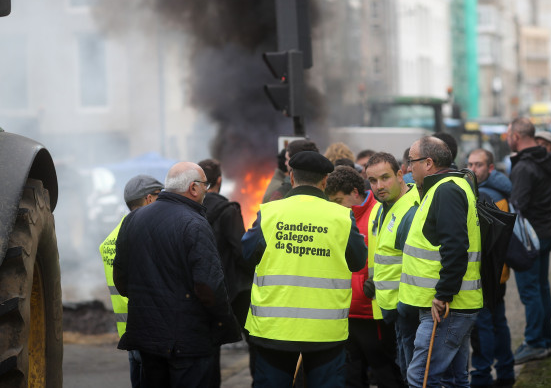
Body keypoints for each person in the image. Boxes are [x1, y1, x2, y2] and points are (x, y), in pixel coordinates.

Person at [242, 151, 368, 388]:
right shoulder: (341, 217)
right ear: (324, 182)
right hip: (325, 331)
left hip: (273, 329)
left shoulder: (270, 213)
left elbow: (247, 255)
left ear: (291, 177)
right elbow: (358, 261)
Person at [113, 162, 240, 388]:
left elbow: (121, 279)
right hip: (189, 343)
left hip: (147, 339)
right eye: (204, 185)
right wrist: (223, 321)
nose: (206, 190)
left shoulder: (132, 220)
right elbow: (209, 287)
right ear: (193, 188)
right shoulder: (194, 224)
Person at [399, 136, 482, 387]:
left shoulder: (445, 190)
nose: (408, 168)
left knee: (421, 379)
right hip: (451, 307)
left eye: (411, 162)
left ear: (428, 163)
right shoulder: (447, 187)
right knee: (454, 381)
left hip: (445, 308)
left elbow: (455, 247)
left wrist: (443, 294)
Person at [326, 166, 404, 388]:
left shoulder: (379, 213)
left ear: (354, 192)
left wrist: (376, 285)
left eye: (338, 200)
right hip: (345, 312)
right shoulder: (336, 217)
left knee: (386, 373)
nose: (335, 206)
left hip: (373, 312)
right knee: (351, 377)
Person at [99, 174, 164, 388]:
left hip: (127, 330)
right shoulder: (145, 236)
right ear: (148, 199)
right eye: (159, 195)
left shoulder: (110, 239)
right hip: (149, 329)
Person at [198, 158, 255, 388]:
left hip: (203, 290)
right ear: (219, 181)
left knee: (208, 347)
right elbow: (242, 252)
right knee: (255, 340)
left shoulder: (191, 210)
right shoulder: (229, 211)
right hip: (235, 290)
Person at [365, 152, 420, 383]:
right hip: (393, 309)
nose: (379, 186)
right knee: (406, 372)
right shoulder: (382, 207)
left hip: (411, 310)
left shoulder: (412, 209)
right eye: (373, 181)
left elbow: (419, 266)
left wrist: (405, 307)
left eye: (385, 178)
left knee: (415, 376)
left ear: (400, 175)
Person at [506, 118, 551, 364]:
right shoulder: (545, 159)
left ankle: (535, 343)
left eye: (508, 133)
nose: (506, 138)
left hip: (530, 238)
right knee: (542, 287)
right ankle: (546, 339)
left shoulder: (523, 167)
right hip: (546, 231)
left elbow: (517, 206)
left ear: (516, 136)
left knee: (530, 291)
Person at [466, 149, 515, 388]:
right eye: (470, 164)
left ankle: (482, 376)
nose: (473, 169)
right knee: (499, 322)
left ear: (490, 168)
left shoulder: (485, 196)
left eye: (479, 165)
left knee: (484, 325)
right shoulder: (501, 192)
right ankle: (506, 371)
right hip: (499, 272)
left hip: (486, 274)